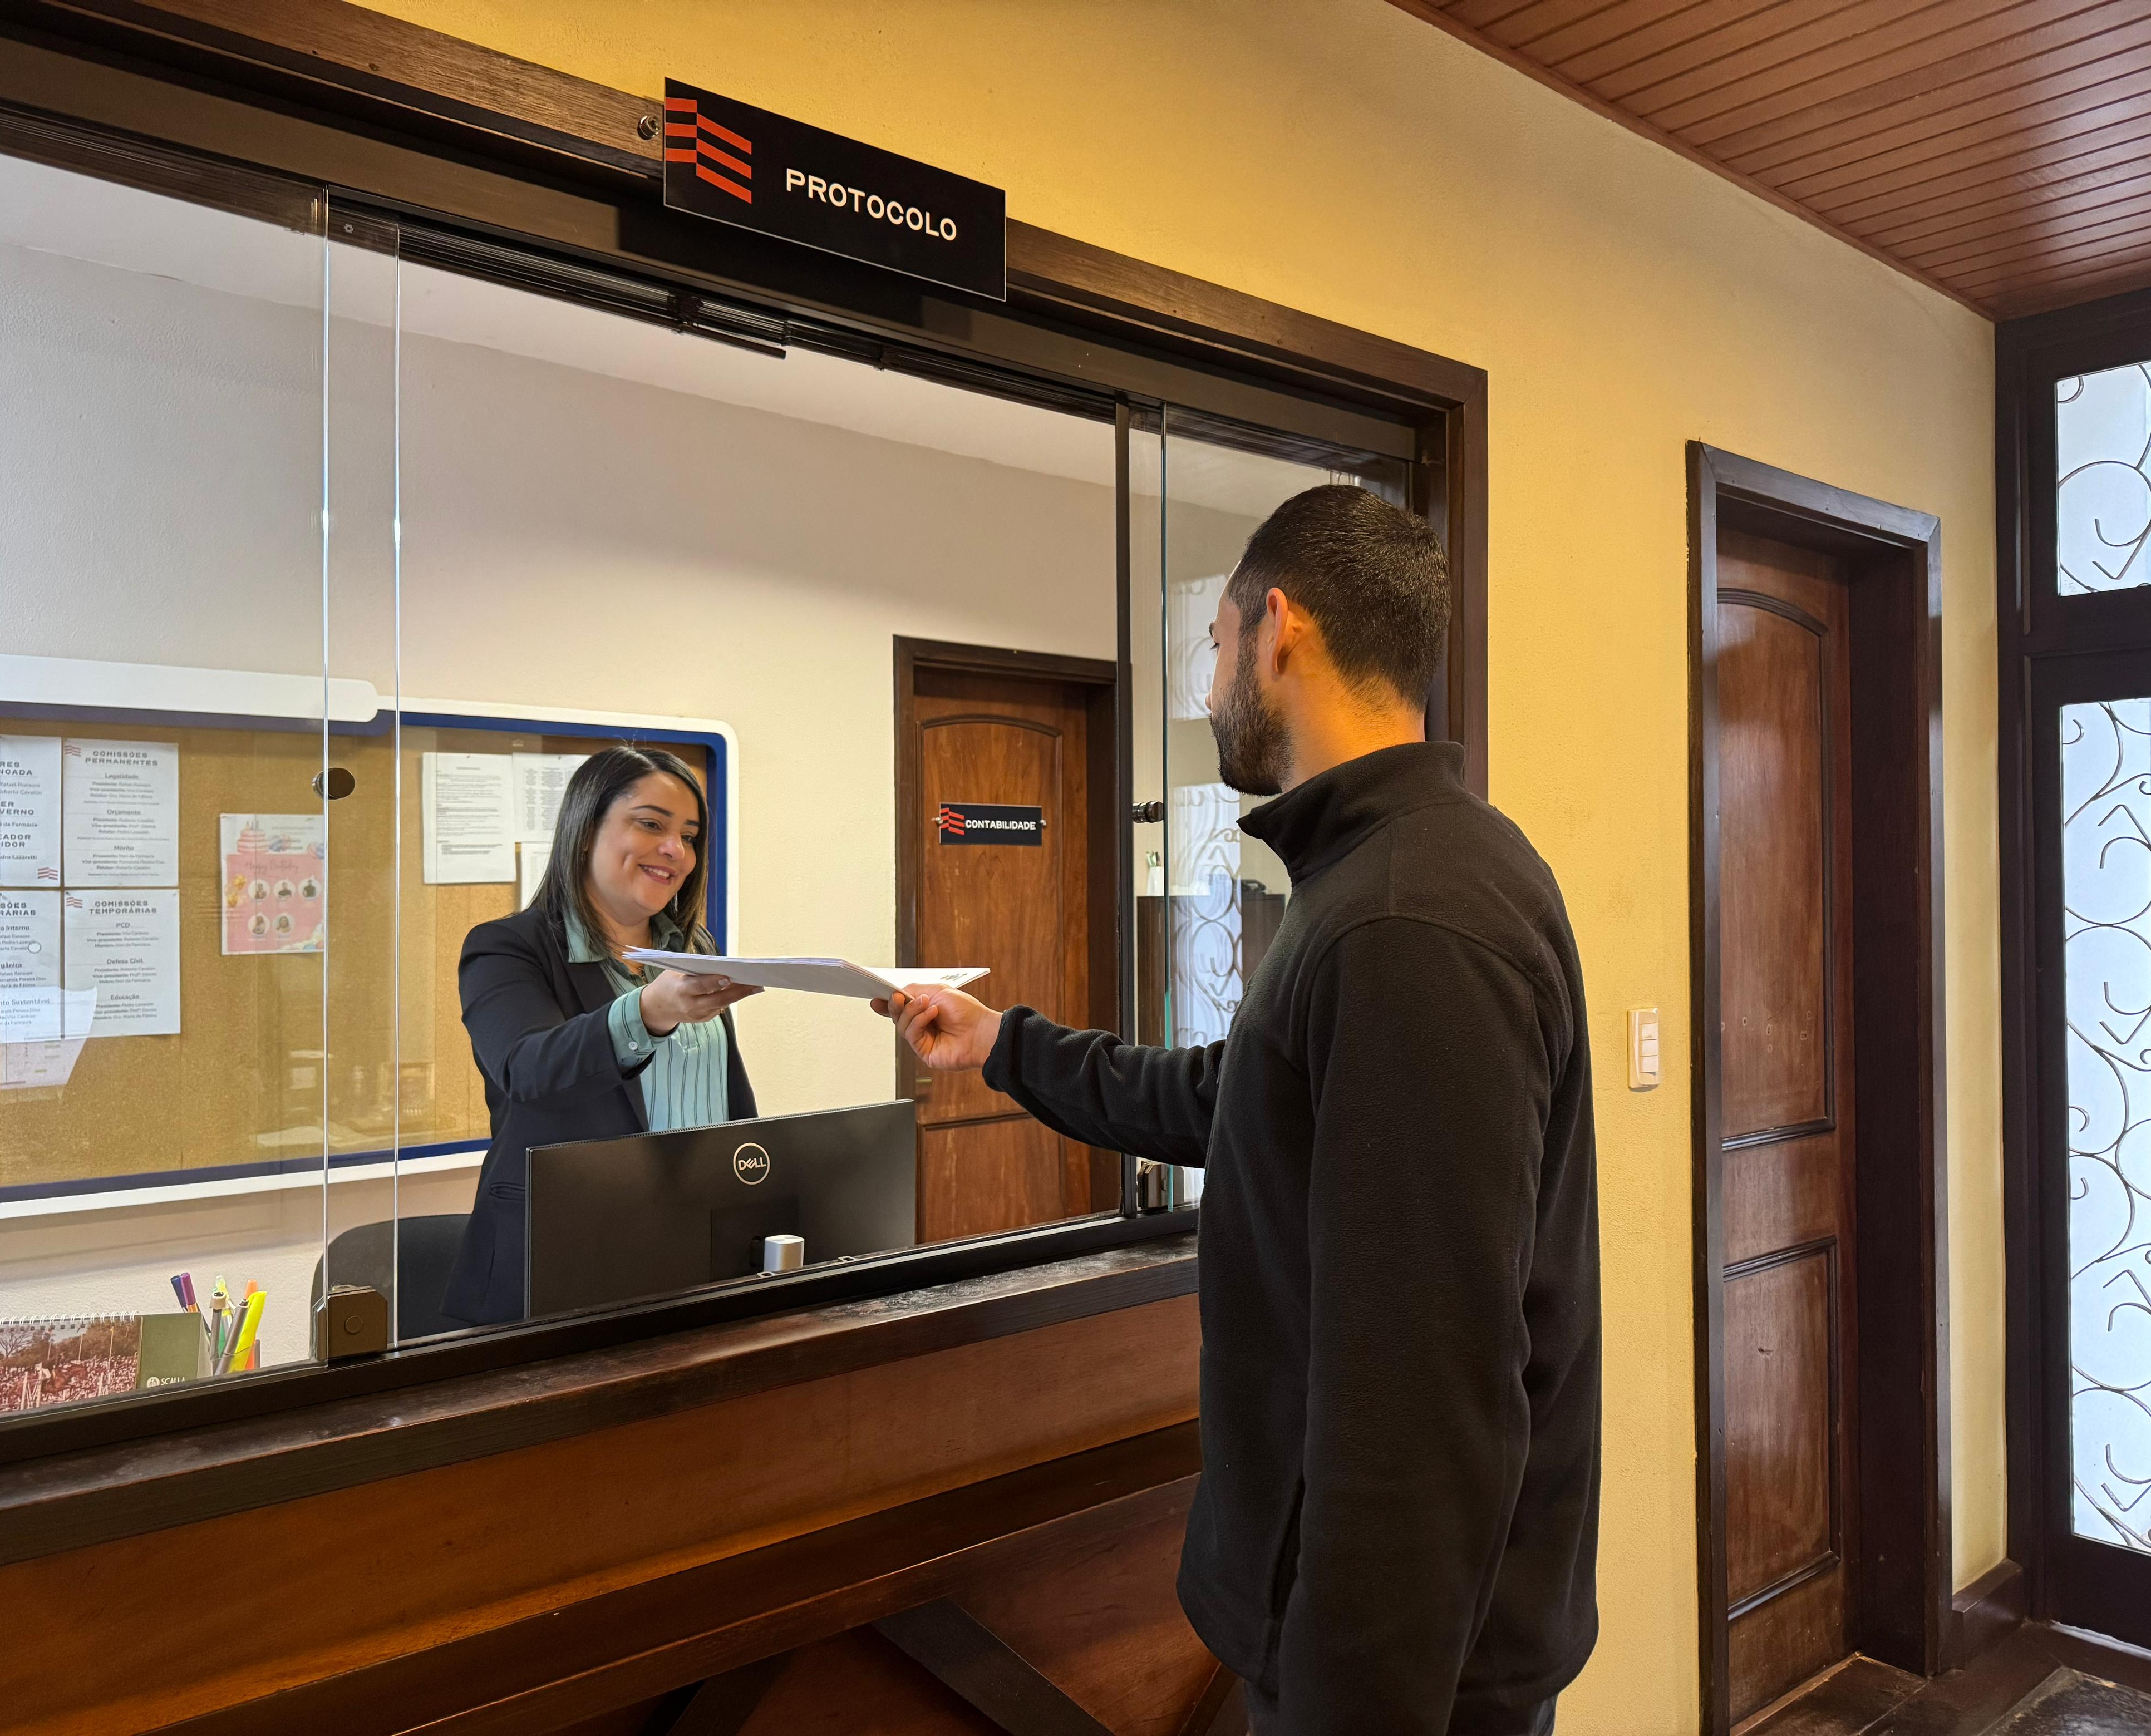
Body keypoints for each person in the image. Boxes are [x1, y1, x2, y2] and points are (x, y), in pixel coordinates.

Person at [879, 487, 1600, 1734]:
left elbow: (1419, 1401)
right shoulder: (1382, 879)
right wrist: (1004, 1046)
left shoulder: (1403, 921)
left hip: (1402, 1681)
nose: (1211, 685)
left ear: (1278, 630)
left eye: (1214, 646)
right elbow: (1236, 1101)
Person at [442, 744, 759, 1326]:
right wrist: (647, 1012)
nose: (676, 850)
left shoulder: (695, 951)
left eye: (689, 836)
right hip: (564, 1261)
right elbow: (528, 1069)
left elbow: (726, 1099)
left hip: (698, 1247)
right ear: (586, 832)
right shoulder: (506, 947)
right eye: (651, 825)